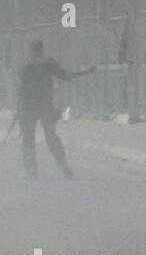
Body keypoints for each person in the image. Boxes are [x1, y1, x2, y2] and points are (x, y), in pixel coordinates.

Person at [16, 40, 95, 179]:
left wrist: (20, 107)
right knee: (51, 137)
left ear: (31, 50)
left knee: (28, 139)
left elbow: (21, 89)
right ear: (42, 50)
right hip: (46, 106)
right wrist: (85, 72)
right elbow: (66, 75)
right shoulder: (48, 63)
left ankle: (31, 170)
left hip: (29, 108)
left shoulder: (25, 66)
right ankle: (64, 166)